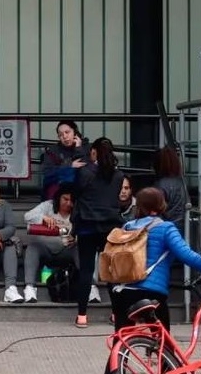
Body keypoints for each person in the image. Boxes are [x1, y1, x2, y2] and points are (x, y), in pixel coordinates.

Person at [109, 187, 201, 334]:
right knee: (162, 340)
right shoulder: (166, 228)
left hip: (124, 289)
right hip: (151, 293)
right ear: (161, 204)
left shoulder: (127, 227)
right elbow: (187, 255)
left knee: (122, 339)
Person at [72, 137, 124, 328]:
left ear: (93, 152)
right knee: (111, 272)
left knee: (86, 270)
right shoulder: (118, 176)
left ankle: (82, 316)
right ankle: (117, 314)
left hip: (87, 226)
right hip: (109, 228)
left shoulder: (86, 172)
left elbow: (76, 191)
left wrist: (79, 152)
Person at [22, 183, 79, 303]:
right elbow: (27, 216)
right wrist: (43, 218)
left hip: (67, 249)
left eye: (71, 201)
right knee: (32, 247)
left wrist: (76, 238)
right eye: (65, 199)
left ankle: (91, 287)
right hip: (46, 249)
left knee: (83, 248)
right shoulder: (48, 205)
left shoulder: (78, 210)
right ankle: (30, 287)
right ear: (59, 197)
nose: (68, 203)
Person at [40, 120, 90, 201]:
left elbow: (87, 168)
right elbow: (47, 172)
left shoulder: (87, 148)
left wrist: (78, 148)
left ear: (75, 132)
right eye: (60, 135)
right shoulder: (53, 151)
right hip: (59, 189)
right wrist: (69, 165)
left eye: (67, 132)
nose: (64, 136)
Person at [153, 146, 187, 227]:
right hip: (180, 225)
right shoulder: (181, 183)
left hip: (165, 226)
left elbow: (156, 210)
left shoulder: (160, 185)